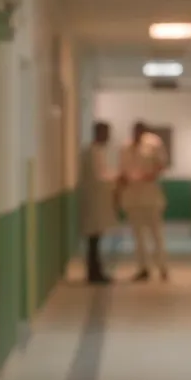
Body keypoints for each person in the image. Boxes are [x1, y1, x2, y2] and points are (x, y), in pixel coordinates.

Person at [120, 120, 170, 282]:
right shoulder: (126, 147)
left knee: (156, 234)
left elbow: (161, 165)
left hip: (151, 197)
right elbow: (123, 171)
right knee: (138, 236)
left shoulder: (154, 144)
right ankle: (143, 269)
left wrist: (147, 176)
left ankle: (162, 267)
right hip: (132, 198)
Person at [78, 121, 119, 284]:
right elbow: (98, 177)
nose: (108, 137)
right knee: (93, 240)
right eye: (106, 133)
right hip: (93, 202)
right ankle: (94, 273)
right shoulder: (91, 152)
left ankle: (96, 271)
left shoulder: (96, 151)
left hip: (97, 201)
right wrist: (115, 179)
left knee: (96, 239)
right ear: (99, 133)